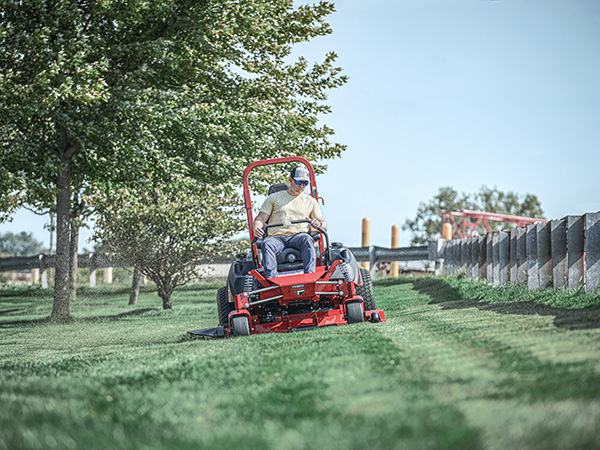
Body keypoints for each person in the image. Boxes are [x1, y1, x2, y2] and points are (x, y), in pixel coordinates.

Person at [254, 166, 327, 278]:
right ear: (290, 180)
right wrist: (257, 227)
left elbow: (323, 224)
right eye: (298, 182)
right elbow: (260, 218)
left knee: (307, 239)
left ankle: (310, 276)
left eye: (304, 183)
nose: (301, 186)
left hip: (298, 236)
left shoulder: (310, 201)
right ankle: (272, 279)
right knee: (267, 244)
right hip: (277, 238)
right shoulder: (274, 198)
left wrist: (318, 224)